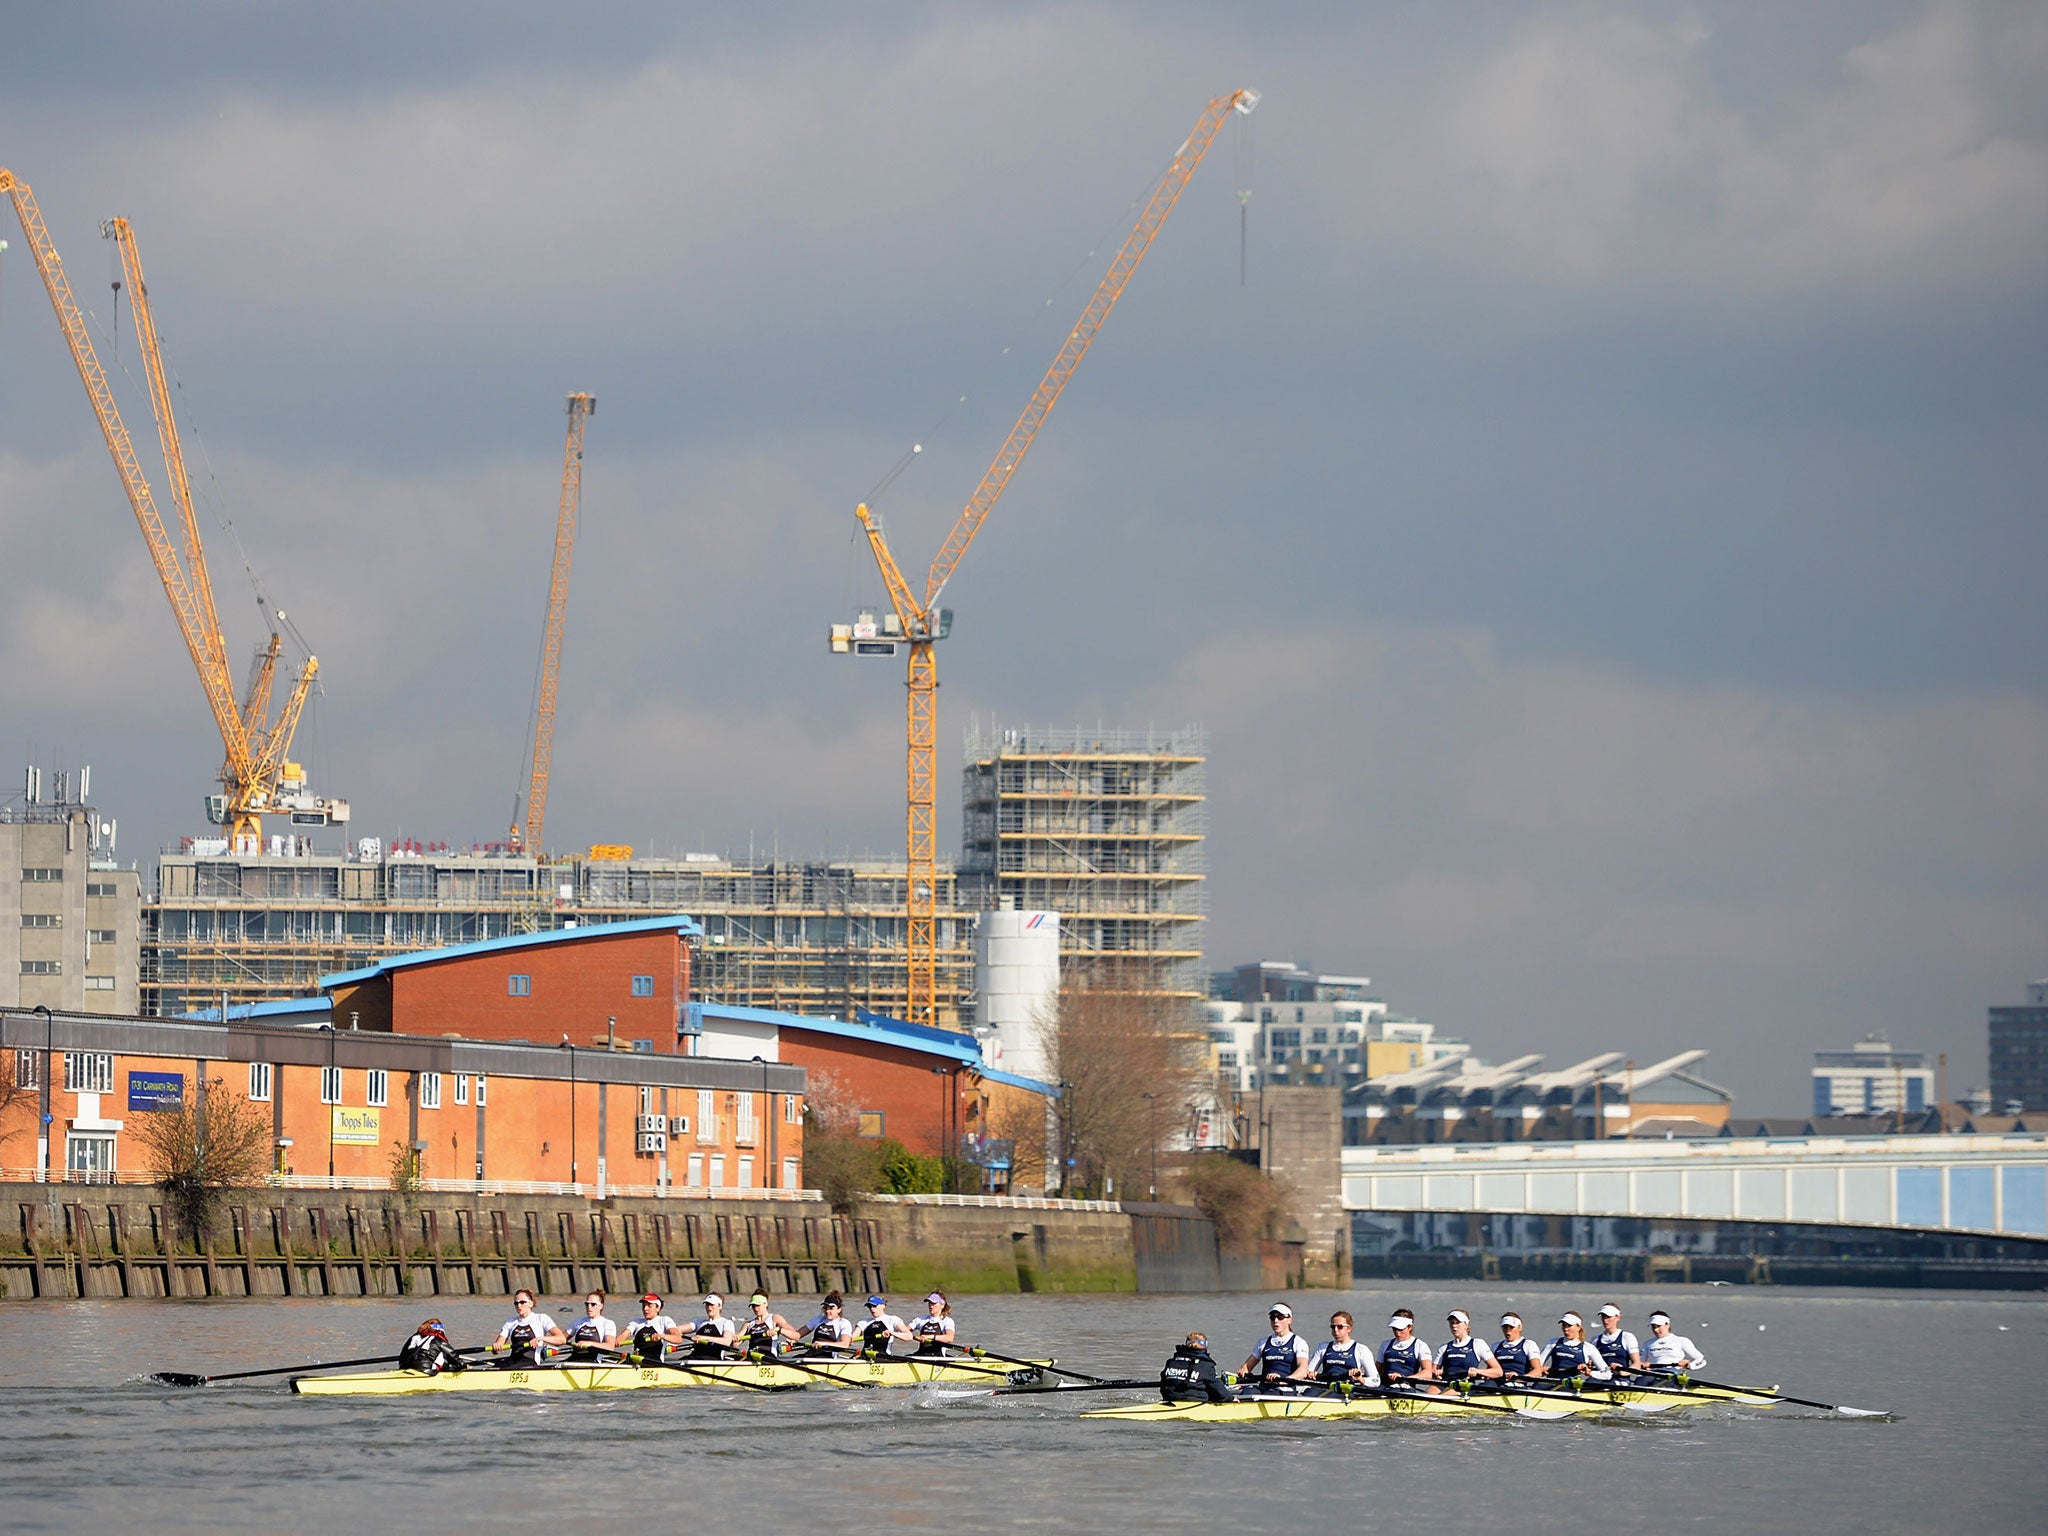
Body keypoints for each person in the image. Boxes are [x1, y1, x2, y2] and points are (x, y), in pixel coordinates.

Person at [1239, 1302, 1313, 1389]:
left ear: (1290, 1320)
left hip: (1286, 1388)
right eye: (1272, 1317)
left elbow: (1302, 1371)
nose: (1275, 1320)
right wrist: (1243, 1371)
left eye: (1280, 1317)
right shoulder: (1263, 1342)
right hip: (1264, 1387)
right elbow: (1247, 1367)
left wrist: (1283, 1380)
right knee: (1247, 1392)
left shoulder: (1299, 1343)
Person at [488, 1289, 566, 1368]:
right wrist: (496, 1347)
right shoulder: (510, 1322)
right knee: (493, 1367)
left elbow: (561, 1339)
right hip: (513, 1361)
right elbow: (496, 1350)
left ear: (531, 1304)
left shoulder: (541, 1318)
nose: (519, 1306)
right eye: (516, 1303)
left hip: (530, 1362)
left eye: (522, 1302)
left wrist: (541, 1339)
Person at [1305, 1311, 1379, 1392]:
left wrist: (1361, 1379)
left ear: (1349, 1328)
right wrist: (1310, 1374)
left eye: (1340, 1327)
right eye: (1333, 1327)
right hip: (1326, 1388)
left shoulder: (1361, 1350)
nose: (1336, 1330)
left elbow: (1376, 1381)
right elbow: (1308, 1372)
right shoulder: (1323, 1347)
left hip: (1347, 1390)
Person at [1540, 1312, 1614, 1386]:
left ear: (1578, 1327)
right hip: (1553, 1382)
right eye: (1564, 1325)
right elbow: (1537, 1366)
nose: (1566, 1329)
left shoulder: (1588, 1348)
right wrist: (1541, 1369)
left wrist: (1589, 1372)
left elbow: (1607, 1375)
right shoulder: (1553, 1343)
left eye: (1569, 1326)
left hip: (1572, 1386)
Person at [1434, 1309, 1504, 1388]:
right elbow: (1432, 1371)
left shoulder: (1478, 1344)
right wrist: (1436, 1373)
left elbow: (1498, 1371)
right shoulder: (1444, 1347)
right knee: (1429, 1393)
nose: (1454, 1326)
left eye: (1458, 1323)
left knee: (1441, 1396)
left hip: (1464, 1385)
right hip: (1445, 1383)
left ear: (1466, 1325)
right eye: (1451, 1323)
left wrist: (1478, 1371)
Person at [1160, 1331, 1233, 1404]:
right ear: (1205, 1347)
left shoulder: (1171, 1362)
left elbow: (1163, 1383)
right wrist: (1231, 1398)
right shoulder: (1205, 1365)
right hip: (1194, 1401)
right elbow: (1216, 1386)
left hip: (1170, 1398)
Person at [1377, 1309, 1436, 1387]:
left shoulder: (1420, 1345)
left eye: (1401, 1329)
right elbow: (1377, 1370)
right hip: (1384, 1387)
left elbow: (1428, 1373)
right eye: (1394, 1329)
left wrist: (1405, 1379)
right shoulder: (1385, 1344)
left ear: (1410, 1327)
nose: (1397, 1333)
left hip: (1406, 1389)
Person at [621, 1294, 686, 1363]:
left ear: (657, 1308)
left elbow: (678, 1338)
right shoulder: (636, 1322)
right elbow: (623, 1335)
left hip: (655, 1362)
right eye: (644, 1305)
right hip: (637, 1360)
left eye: (649, 1306)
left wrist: (662, 1336)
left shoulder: (664, 1320)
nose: (645, 1308)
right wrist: (615, 1342)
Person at [1641, 1311, 1708, 1374]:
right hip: (1652, 1374)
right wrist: (1642, 1366)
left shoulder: (1681, 1341)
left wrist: (1689, 1365)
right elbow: (1639, 1363)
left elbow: (1701, 1359)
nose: (1656, 1330)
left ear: (1667, 1324)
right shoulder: (1647, 1344)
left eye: (1658, 1326)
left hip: (1672, 1375)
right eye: (1653, 1326)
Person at [563, 1291, 618, 1363]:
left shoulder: (607, 1323)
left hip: (594, 1361)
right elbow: (560, 1339)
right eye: (587, 1304)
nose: (589, 1307)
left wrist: (590, 1344)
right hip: (574, 1359)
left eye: (593, 1304)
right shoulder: (578, 1322)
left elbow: (610, 1347)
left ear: (601, 1306)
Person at [398, 1318, 467, 1376]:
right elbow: (454, 1357)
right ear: (440, 1330)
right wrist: (464, 1366)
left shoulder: (412, 1338)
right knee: (445, 1364)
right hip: (426, 1370)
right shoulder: (438, 1340)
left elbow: (401, 1358)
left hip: (404, 1368)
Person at [741, 1292, 797, 1359]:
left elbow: (795, 1335)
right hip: (752, 1357)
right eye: (753, 1306)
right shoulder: (748, 1324)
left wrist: (779, 1330)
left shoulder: (775, 1318)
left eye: (758, 1305)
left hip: (769, 1357)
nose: (755, 1309)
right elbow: (735, 1344)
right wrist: (733, 1338)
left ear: (766, 1304)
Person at [1591, 1304, 1644, 1375]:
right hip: (1601, 1377)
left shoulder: (1627, 1337)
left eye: (1609, 1317)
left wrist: (1623, 1372)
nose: (1605, 1320)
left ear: (1618, 1317)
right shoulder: (1595, 1339)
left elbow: (1637, 1364)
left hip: (1620, 1379)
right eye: (1603, 1316)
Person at [688, 1293, 743, 1360]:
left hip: (713, 1359)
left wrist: (703, 1338)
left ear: (720, 1306)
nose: (709, 1307)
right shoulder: (700, 1322)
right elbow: (677, 1330)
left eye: (712, 1304)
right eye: (707, 1304)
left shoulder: (726, 1323)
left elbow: (726, 1341)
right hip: (694, 1357)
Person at [1493, 1313, 1545, 1379]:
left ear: (1520, 1327)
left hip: (1518, 1382)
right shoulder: (1496, 1346)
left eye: (1511, 1327)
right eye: (1505, 1327)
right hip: (1497, 1382)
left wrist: (1519, 1378)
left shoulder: (1529, 1345)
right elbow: (1490, 1370)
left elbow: (1537, 1371)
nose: (1507, 1330)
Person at [908, 1291, 958, 1357]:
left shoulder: (947, 1321)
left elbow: (949, 1338)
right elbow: (905, 1330)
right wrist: (893, 1332)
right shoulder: (921, 1319)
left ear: (942, 1305)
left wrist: (930, 1337)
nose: (931, 1306)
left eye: (934, 1303)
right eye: (929, 1303)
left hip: (938, 1357)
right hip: (921, 1355)